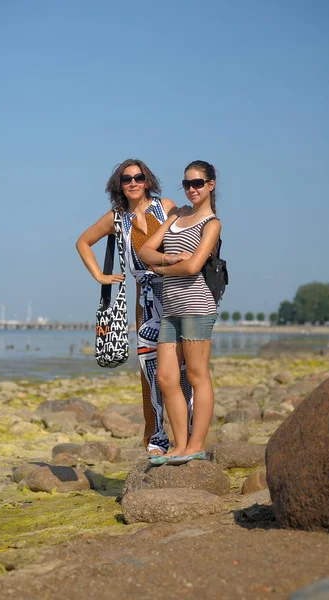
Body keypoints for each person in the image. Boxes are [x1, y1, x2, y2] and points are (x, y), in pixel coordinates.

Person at [76, 159, 193, 456]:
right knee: (149, 370)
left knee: (183, 367)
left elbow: (191, 230)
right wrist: (100, 276)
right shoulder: (117, 218)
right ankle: (156, 438)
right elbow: (83, 242)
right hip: (145, 299)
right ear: (119, 185)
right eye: (126, 179)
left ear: (147, 181)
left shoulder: (165, 206)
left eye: (138, 178)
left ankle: (189, 436)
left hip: (175, 290)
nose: (133, 183)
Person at [138, 160, 221, 465]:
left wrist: (158, 268)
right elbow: (145, 251)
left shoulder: (211, 223)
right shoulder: (176, 214)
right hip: (170, 308)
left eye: (197, 183)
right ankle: (179, 444)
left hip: (197, 306)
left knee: (198, 376)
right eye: (187, 184)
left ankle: (196, 445)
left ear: (210, 185)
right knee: (166, 377)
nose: (191, 189)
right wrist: (169, 259)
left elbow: (193, 266)